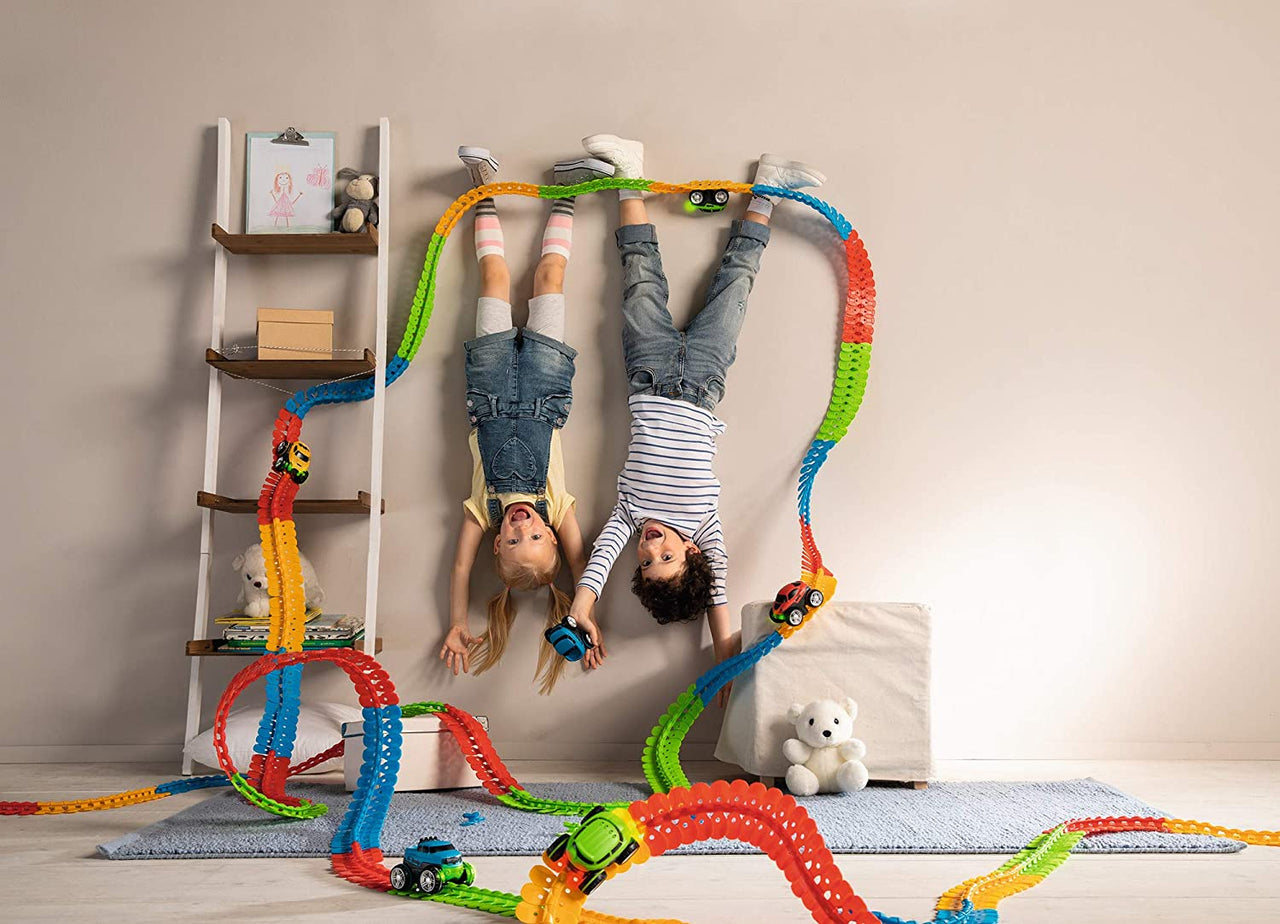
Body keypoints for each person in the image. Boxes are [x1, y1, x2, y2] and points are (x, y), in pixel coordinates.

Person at [568, 134, 825, 696]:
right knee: (737, 282)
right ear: (691, 553)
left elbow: (597, 566)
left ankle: (629, 171)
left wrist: (583, 612)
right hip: (705, 381)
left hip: (650, 372)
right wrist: (726, 671)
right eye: (666, 556)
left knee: (639, 273)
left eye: (646, 559)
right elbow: (719, 603)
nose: (651, 546)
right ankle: (769, 188)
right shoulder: (706, 526)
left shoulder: (629, 514)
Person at [438, 145, 613, 693]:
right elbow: (589, 562)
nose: (520, 527)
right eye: (535, 535)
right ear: (552, 535)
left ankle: (482, 189)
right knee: (549, 274)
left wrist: (457, 624)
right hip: (544, 383)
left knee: (493, 275)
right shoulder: (558, 507)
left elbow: (460, 571)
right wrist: (585, 613)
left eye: (513, 540)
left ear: (496, 545)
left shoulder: (478, 510)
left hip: (488, 383)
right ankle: (566, 193)